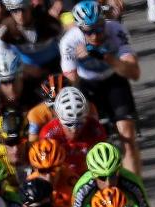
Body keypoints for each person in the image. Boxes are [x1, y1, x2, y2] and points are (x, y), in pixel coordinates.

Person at [58, 2, 142, 174]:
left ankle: (135, 185)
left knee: (128, 137)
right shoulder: (70, 41)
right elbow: (71, 83)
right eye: (89, 32)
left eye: (99, 29)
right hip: (86, 84)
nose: (95, 36)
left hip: (114, 79)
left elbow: (134, 73)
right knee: (88, 139)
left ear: (104, 23)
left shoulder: (116, 30)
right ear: (80, 29)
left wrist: (105, 57)